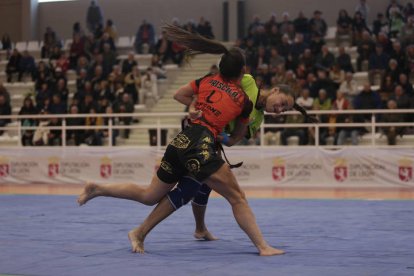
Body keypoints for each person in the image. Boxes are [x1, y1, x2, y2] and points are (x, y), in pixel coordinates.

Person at [78, 24, 296, 256]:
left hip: (182, 138)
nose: (280, 109)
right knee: (237, 197)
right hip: (202, 143)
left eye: (285, 108)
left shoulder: (207, 79)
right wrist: (226, 133)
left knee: (150, 195)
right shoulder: (245, 99)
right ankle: (263, 247)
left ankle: (100, 189)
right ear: (244, 73)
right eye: (282, 103)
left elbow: (179, 94)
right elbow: (235, 138)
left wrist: (194, 106)